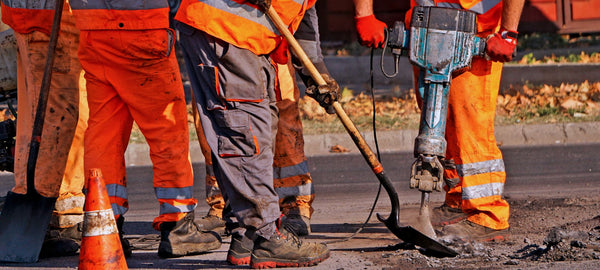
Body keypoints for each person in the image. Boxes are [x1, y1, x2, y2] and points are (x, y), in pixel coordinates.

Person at [174, 0, 335, 267]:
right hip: (225, 30)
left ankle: (246, 235)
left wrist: (315, 72)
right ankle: (265, 237)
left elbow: (303, 11)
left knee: (258, 125)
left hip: (244, 37)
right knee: (246, 131)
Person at [353, 0, 525, 241]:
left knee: (469, 125)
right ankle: (457, 198)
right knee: (440, 120)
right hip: (425, 25)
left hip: (477, 28)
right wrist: (364, 15)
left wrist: (507, 32)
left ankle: (487, 214)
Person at [68, 0, 221, 258]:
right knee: (166, 128)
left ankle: (105, 225)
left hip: (93, 30)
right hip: (143, 28)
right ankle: (177, 225)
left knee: (103, 133)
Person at [0, 0, 88, 257]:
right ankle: (53, 213)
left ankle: (54, 205)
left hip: (43, 17)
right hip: (48, 19)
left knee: (47, 111)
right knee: (56, 116)